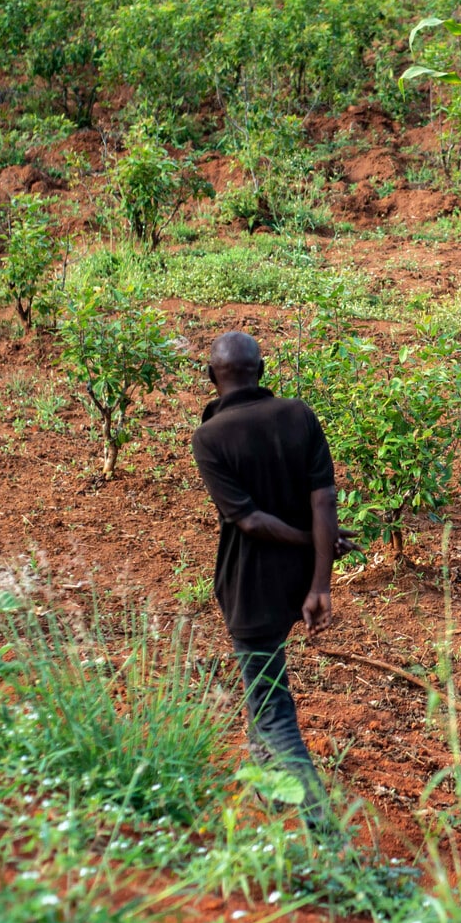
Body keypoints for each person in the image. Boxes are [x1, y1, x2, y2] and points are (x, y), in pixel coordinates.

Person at [191, 330, 343, 834]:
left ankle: (324, 830)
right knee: (264, 690)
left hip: (250, 590)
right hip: (297, 581)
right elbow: (323, 502)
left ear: (213, 377)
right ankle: (267, 791)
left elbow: (251, 521)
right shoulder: (297, 414)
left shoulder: (210, 438)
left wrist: (310, 544)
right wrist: (321, 579)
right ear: (263, 369)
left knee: (273, 711)